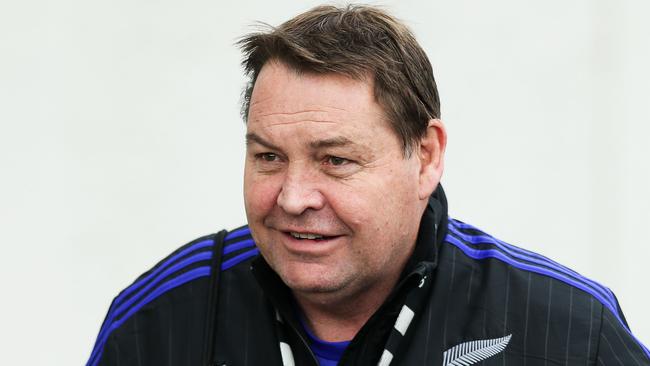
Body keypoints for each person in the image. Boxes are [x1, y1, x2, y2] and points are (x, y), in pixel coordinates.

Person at [86, 5, 649, 366]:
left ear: (425, 157)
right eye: (269, 156)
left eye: (335, 160)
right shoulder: (160, 321)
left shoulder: (566, 333)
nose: (293, 196)